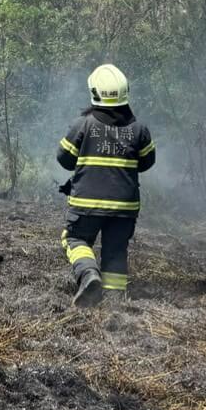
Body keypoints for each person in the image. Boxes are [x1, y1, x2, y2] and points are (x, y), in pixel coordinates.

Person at [56, 64, 156, 307]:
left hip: (86, 205)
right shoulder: (139, 129)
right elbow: (147, 162)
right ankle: (113, 301)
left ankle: (89, 274)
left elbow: (64, 159)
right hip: (124, 208)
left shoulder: (83, 124)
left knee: (75, 239)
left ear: (94, 92)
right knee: (115, 250)